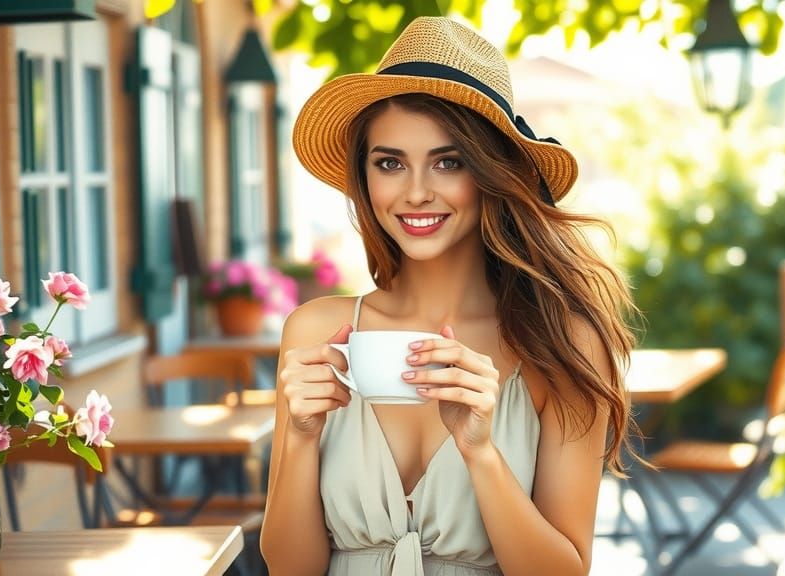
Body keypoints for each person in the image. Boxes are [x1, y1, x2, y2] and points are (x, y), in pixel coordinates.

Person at [260, 16, 637, 576]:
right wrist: (298, 435)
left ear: (492, 172)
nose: (414, 192)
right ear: (365, 179)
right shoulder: (316, 332)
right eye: (389, 163)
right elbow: (292, 569)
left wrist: (481, 452)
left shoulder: (562, 344)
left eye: (448, 161)